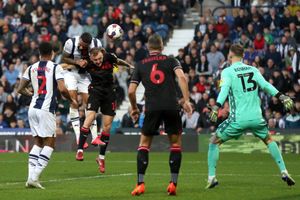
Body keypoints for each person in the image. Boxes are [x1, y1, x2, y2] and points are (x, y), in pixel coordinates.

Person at [206, 44, 296, 189]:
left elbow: (224, 91)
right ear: (243, 56)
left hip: (238, 119)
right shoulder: (253, 69)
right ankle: (284, 171)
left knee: (213, 142)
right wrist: (281, 96)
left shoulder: (227, 71)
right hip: (257, 118)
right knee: (269, 140)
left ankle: (211, 178)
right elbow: (266, 85)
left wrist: (217, 106)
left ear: (230, 55)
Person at [128, 34, 192, 196]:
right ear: (162, 47)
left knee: (144, 144)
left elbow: (131, 91)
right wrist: (186, 101)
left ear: (148, 48)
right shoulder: (171, 60)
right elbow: (182, 78)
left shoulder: (140, 65)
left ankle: (140, 184)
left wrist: (135, 108)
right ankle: (173, 183)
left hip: (152, 107)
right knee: (175, 144)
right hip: (171, 106)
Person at [64, 47, 133, 173]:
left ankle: (101, 158)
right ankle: (79, 151)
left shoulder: (109, 57)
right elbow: (68, 65)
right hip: (95, 92)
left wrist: (129, 65)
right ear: (91, 58)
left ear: (103, 54)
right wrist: (63, 66)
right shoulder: (86, 63)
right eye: (95, 59)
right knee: (89, 118)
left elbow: (119, 61)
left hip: (109, 94)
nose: (98, 61)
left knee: (106, 128)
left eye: (100, 58)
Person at [18, 42, 73, 189]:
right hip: (46, 110)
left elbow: (20, 89)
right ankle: (34, 178)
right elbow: (62, 88)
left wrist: (32, 94)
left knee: (38, 143)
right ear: (52, 53)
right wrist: (71, 99)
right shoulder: (56, 67)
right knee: (49, 144)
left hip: (33, 109)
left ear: (39, 53)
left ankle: (30, 178)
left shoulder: (31, 68)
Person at [62, 32, 102, 149]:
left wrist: (88, 62)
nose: (82, 47)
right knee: (73, 100)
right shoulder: (70, 43)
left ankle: (94, 137)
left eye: (85, 46)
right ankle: (79, 137)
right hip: (71, 73)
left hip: (85, 75)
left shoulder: (96, 44)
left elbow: (99, 59)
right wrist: (76, 62)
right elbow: (64, 58)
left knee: (89, 104)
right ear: (79, 39)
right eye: (81, 44)